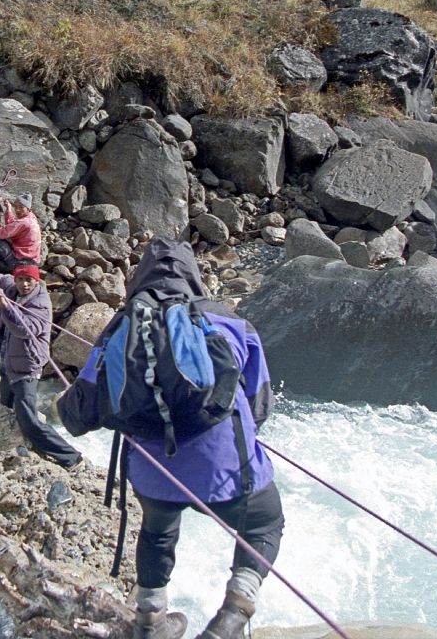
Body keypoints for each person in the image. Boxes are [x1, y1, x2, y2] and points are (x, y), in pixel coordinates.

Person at [57, 239, 284, 639]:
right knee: (264, 525)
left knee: (158, 532)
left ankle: (150, 623)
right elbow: (260, 404)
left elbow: (78, 417)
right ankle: (230, 618)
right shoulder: (231, 322)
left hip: (153, 477)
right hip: (229, 471)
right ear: (193, 276)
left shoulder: (121, 329)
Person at [0, 264, 82, 469]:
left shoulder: (41, 303)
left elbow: (25, 329)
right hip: (8, 360)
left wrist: (5, 306)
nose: (24, 284)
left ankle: (70, 456)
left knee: (28, 418)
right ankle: (13, 441)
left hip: (27, 365)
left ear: (37, 281)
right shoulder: (9, 287)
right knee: (6, 405)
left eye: (29, 280)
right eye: (20, 280)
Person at [0, 192, 41, 273]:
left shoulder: (24, 222)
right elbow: (13, 225)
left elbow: (2, 233)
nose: (17, 210)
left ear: (28, 209)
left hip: (21, 262)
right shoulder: (31, 218)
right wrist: (9, 209)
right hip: (32, 261)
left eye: (21, 207)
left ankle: (1, 266)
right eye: (16, 207)